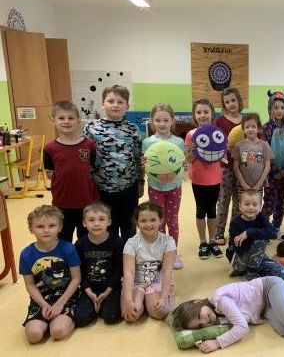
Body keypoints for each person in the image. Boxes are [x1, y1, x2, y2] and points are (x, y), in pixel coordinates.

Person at [83, 85, 142, 243]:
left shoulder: (133, 129)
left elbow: (138, 158)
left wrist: (140, 181)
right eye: (110, 101)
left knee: (129, 226)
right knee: (108, 227)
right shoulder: (91, 128)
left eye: (120, 102)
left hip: (129, 188)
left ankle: (129, 255)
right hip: (102, 189)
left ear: (127, 106)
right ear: (102, 104)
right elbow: (85, 159)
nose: (115, 105)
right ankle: (113, 255)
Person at [19, 205, 81, 343]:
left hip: (66, 297)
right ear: (31, 229)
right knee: (34, 336)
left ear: (60, 227)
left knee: (57, 332)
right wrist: (43, 305)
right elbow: (30, 285)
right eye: (40, 226)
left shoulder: (68, 249)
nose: (46, 230)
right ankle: (47, 321)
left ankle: (65, 319)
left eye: (52, 225)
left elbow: (76, 278)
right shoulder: (26, 254)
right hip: (41, 299)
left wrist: (60, 303)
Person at [44, 100, 99, 242]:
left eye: (71, 118)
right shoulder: (49, 148)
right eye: (61, 118)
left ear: (78, 120)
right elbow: (50, 174)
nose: (66, 121)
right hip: (62, 203)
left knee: (85, 239)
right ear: (53, 121)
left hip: (86, 202)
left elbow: (93, 170)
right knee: (63, 238)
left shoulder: (89, 145)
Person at [142, 103, 185, 269]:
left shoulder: (178, 142)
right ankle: (160, 253)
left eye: (166, 120)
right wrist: (142, 164)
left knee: (172, 220)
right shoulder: (147, 142)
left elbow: (181, 163)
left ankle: (173, 252)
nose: (162, 124)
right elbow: (146, 164)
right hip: (155, 187)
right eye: (158, 120)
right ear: (152, 122)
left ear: (172, 121)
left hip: (174, 187)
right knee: (158, 220)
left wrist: (186, 166)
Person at [121, 202, 176, 322]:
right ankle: (141, 297)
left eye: (153, 220)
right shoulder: (131, 243)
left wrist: (163, 297)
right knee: (131, 316)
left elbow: (167, 271)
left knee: (160, 313)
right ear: (137, 223)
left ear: (161, 221)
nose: (148, 224)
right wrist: (128, 300)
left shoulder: (168, 242)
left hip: (156, 283)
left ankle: (151, 298)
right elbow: (129, 273)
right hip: (137, 283)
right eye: (143, 221)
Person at [185, 98, 223, 260]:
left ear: (212, 113)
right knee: (200, 210)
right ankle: (202, 242)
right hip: (198, 179)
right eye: (199, 112)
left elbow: (222, 155)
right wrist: (192, 151)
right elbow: (188, 159)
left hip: (215, 178)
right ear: (194, 115)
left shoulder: (218, 133)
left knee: (212, 210)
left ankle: (212, 241)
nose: (202, 115)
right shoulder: (191, 134)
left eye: (206, 112)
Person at [74, 202, 123, 327]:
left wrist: (107, 292)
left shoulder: (117, 242)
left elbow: (119, 270)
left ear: (109, 221)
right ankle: (95, 305)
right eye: (91, 220)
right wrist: (89, 292)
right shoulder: (80, 244)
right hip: (89, 289)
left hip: (111, 288)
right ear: (84, 223)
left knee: (111, 317)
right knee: (81, 319)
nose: (96, 224)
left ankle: (102, 306)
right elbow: (80, 272)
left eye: (101, 219)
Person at [262, 91, 284, 239]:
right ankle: (263, 227)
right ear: (270, 109)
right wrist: (275, 170)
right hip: (271, 173)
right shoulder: (266, 128)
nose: (279, 111)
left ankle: (276, 227)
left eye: (282, 108)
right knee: (270, 201)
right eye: (276, 108)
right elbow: (265, 150)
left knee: (282, 201)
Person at [214, 87, 244, 246]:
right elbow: (215, 142)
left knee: (239, 200)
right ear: (224, 105)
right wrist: (224, 148)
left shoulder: (246, 120)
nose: (231, 104)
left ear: (239, 101)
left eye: (233, 100)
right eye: (227, 102)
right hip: (225, 166)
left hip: (243, 167)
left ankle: (234, 230)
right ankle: (219, 231)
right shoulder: (220, 121)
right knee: (223, 199)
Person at [226, 189, 277, 280]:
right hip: (239, 257)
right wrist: (258, 234)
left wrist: (249, 233)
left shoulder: (261, 217)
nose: (251, 207)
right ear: (240, 206)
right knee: (261, 239)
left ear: (260, 206)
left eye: (255, 204)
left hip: (254, 258)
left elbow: (273, 234)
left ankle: (245, 270)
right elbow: (239, 247)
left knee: (278, 271)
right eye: (247, 204)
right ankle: (249, 274)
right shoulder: (235, 223)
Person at [233, 113, 273, 198]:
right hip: (242, 186)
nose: (250, 129)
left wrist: (258, 184)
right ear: (243, 129)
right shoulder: (239, 145)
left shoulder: (264, 145)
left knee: (256, 205)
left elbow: (267, 167)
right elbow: (235, 167)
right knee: (243, 205)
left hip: (258, 186)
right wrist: (243, 184)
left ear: (258, 129)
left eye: (253, 126)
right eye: (247, 127)